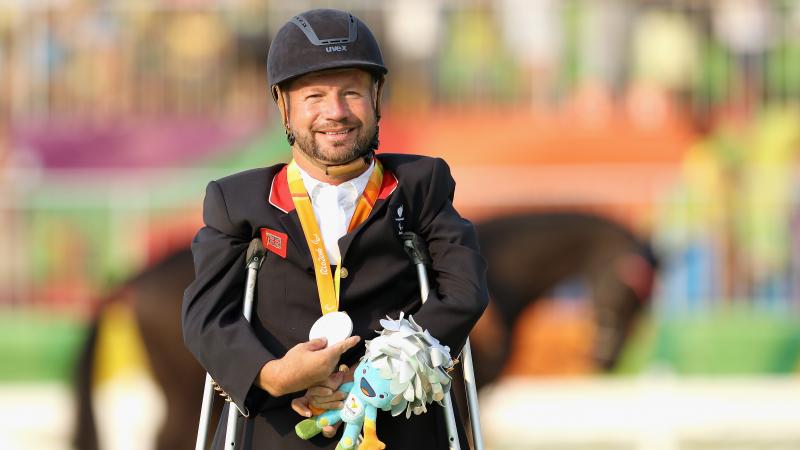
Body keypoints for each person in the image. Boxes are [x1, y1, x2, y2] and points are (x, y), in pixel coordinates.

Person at [182, 8, 488, 450]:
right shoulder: (237, 202)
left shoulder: (421, 186)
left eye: (352, 93)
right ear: (284, 107)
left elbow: (464, 291)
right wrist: (273, 375)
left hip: (399, 429)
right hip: (277, 431)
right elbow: (206, 319)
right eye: (314, 97)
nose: (336, 112)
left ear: (377, 98)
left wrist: (382, 372)